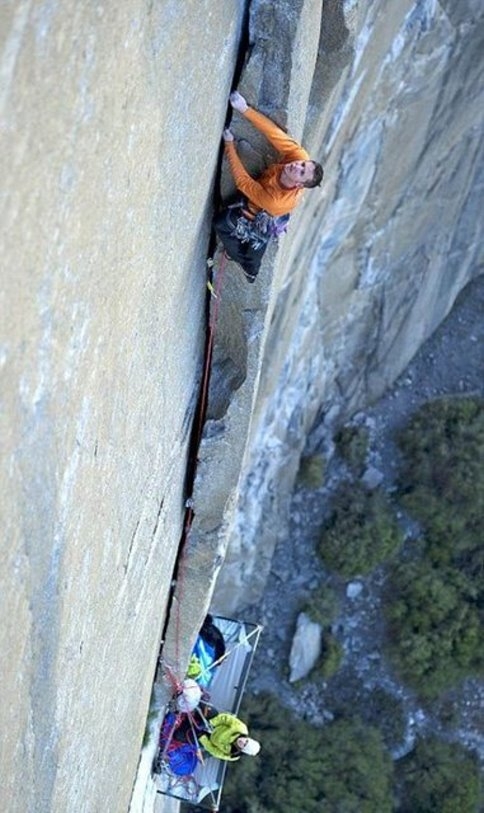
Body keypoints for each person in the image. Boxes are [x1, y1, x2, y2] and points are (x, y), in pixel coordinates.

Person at [214, 91, 324, 282]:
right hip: (275, 196)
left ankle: (248, 266)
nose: (297, 165)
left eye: (301, 171)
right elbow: (274, 134)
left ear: (299, 184)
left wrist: (229, 145)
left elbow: (244, 183)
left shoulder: (275, 201)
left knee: (223, 223)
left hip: (269, 207)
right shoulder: (300, 156)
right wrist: (244, 108)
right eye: (303, 165)